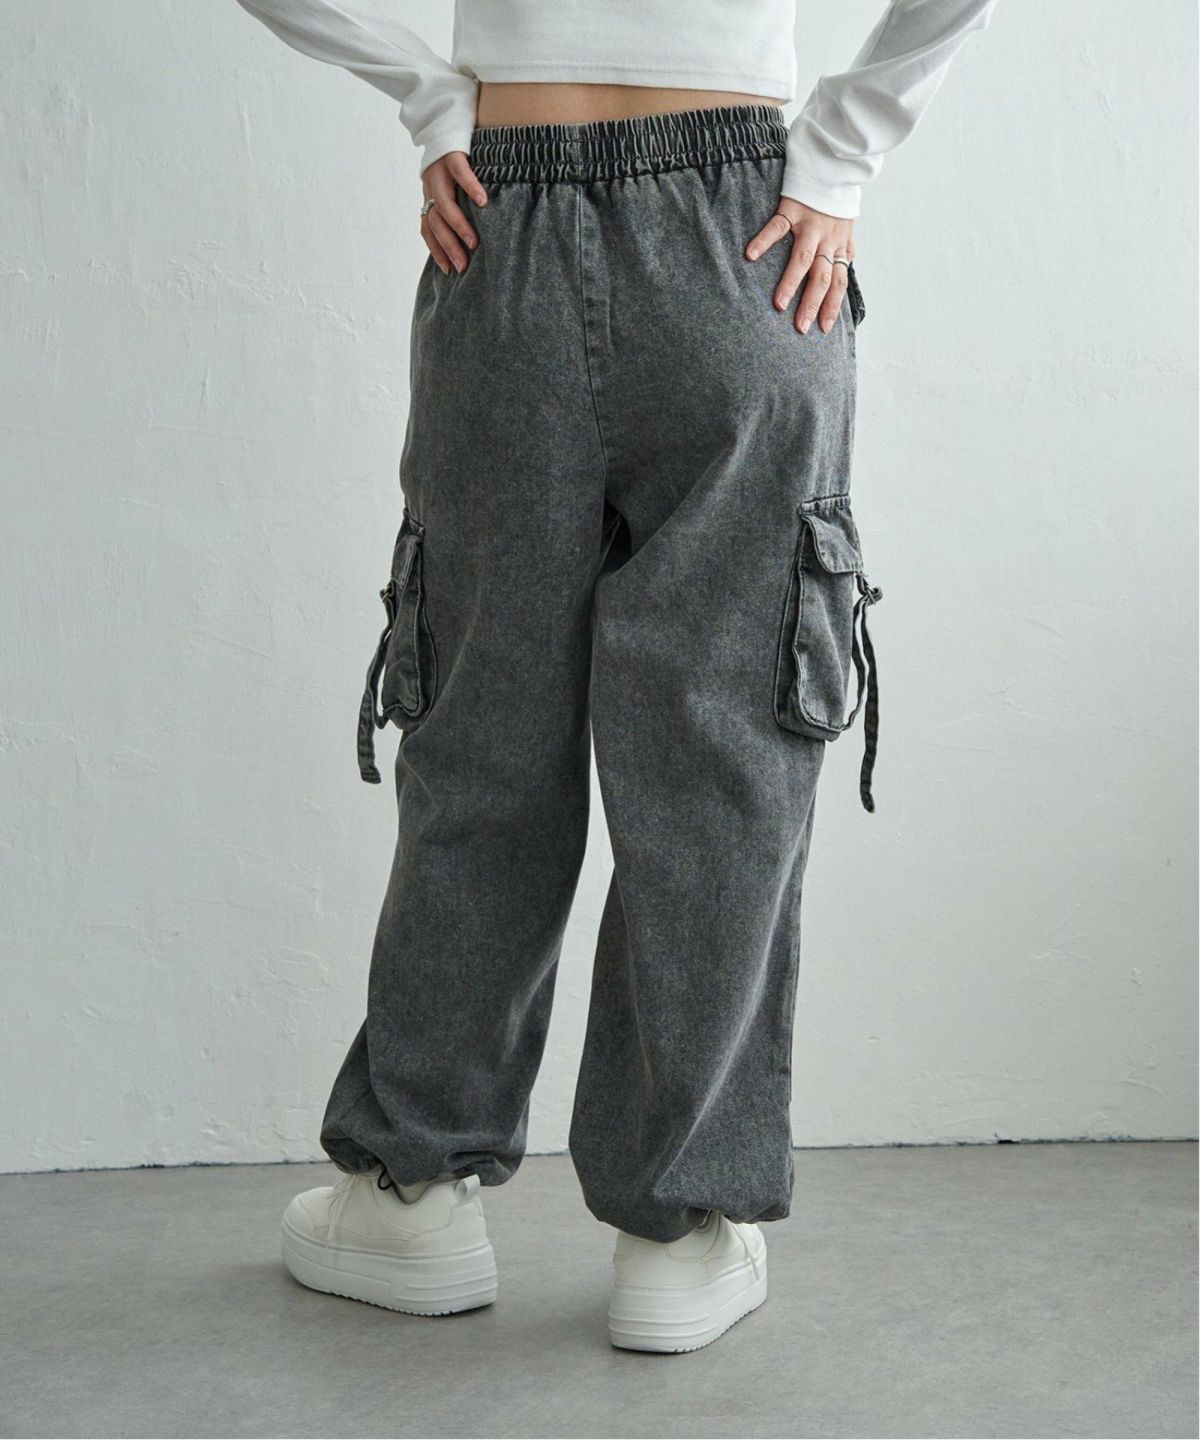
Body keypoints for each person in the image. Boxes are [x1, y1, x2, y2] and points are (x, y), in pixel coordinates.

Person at [236, 0, 996, 1353]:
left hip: (502, 222)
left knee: (484, 739)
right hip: (748, 241)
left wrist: (429, 96)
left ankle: (413, 1194)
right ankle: (676, 1232)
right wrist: (844, 145)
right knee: (720, 758)